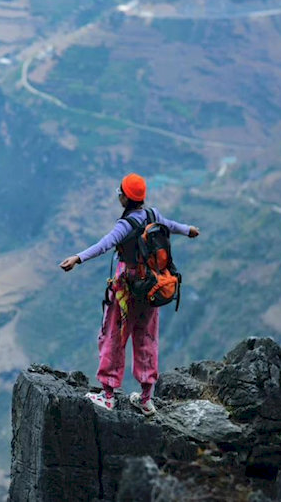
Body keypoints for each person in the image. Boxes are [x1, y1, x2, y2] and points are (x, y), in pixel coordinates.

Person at [59, 173, 199, 414]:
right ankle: (145, 399)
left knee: (114, 336)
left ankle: (108, 395)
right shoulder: (153, 215)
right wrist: (189, 230)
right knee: (147, 339)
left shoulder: (126, 224)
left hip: (127, 290)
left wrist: (78, 258)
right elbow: (172, 226)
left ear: (125, 198)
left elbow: (104, 244)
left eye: (120, 193)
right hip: (151, 287)